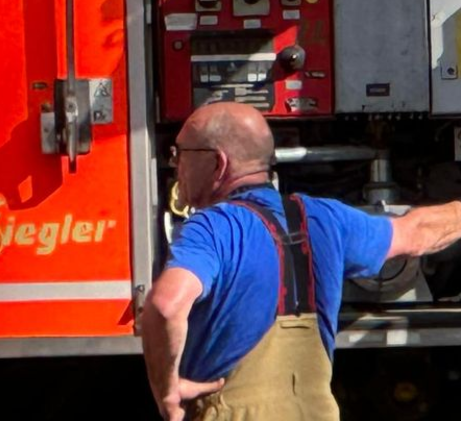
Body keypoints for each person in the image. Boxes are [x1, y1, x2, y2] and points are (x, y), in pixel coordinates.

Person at [141, 101, 461, 421]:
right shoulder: (325, 218)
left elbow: (166, 305)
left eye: (180, 153)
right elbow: (417, 233)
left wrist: (166, 390)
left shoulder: (212, 227)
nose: (175, 165)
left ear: (218, 163)